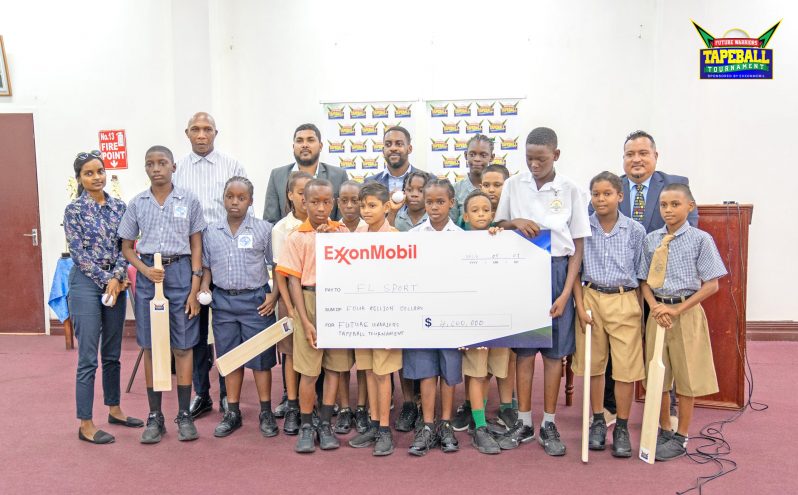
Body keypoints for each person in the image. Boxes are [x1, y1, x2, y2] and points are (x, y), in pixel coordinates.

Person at [494, 127, 590, 456]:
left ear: (556, 156)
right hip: (521, 271)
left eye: (542, 158)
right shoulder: (512, 184)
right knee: (523, 353)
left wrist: (565, 294)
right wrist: (514, 222)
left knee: (552, 355)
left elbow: (577, 245)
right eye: (529, 158)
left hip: (557, 271)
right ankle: (523, 421)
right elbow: (497, 226)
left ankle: (548, 422)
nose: (534, 164)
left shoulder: (571, 189)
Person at [604, 130, 699, 422]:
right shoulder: (609, 187)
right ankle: (609, 406)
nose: (636, 159)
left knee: (664, 343)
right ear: (623, 159)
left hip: (660, 285)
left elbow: (688, 234)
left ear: (655, 156)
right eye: (630, 154)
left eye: (643, 153)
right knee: (615, 344)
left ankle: (664, 405)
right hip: (619, 283)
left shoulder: (675, 185)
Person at [118, 145, 206, 444]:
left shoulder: (189, 200)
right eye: (150, 164)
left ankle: (183, 414)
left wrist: (195, 288)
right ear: (145, 169)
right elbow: (127, 247)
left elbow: (196, 246)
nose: (156, 168)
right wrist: (143, 270)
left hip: (180, 273)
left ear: (173, 167)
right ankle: (155, 416)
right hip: (149, 278)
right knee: (152, 346)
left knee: (183, 345)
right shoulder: (137, 203)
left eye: (162, 163)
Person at [638, 183, 726, 461]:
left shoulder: (701, 239)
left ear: (690, 206)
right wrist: (654, 307)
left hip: (686, 313)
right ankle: (665, 428)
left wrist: (678, 310)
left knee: (687, 378)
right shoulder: (652, 239)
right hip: (658, 313)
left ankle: (682, 435)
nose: (668, 210)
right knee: (658, 376)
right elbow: (643, 280)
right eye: (663, 205)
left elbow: (711, 285)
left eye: (675, 204)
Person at [65, 150, 142, 444]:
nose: (96, 177)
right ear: (80, 178)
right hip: (87, 283)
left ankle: (115, 409)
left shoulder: (119, 207)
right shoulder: (73, 211)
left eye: (99, 171)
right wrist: (106, 279)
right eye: (89, 173)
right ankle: (85, 423)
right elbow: (78, 253)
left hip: (116, 283)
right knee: (88, 358)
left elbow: (127, 245)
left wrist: (119, 275)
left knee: (112, 353)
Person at [174, 112, 246, 419]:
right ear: (187, 133)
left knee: (226, 330)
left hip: (226, 257)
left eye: (207, 129)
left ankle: (230, 395)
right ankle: (201, 394)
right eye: (195, 130)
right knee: (196, 331)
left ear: (216, 132)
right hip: (192, 259)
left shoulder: (232, 165)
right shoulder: (177, 170)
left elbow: (242, 208)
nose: (201, 134)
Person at [275, 179, 354, 453]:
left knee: (334, 367)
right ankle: (307, 424)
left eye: (326, 202)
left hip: (338, 300)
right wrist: (303, 318)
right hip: (309, 300)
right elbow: (293, 280)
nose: (321, 208)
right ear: (303, 203)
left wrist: (332, 238)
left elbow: (354, 265)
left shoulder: (342, 232)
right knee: (309, 370)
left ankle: (324, 423)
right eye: (315, 202)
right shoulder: (296, 237)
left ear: (333, 203)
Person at [198, 176, 280, 438]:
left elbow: (276, 265)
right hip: (223, 303)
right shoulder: (211, 232)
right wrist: (203, 288)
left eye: (241, 198)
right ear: (223, 199)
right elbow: (207, 268)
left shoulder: (263, 229)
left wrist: (274, 295)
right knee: (230, 359)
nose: (235, 202)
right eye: (230, 197)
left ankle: (265, 411)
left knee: (261, 361)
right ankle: (232, 411)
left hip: (257, 302)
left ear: (250, 201)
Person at [572, 171, 646, 458]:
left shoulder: (635, 231)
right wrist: (580, 306)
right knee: (594, 363)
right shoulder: (582, 227)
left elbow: (641, 277)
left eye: (607, 193)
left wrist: (638, 314)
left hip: (623, 298)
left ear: (620, 196)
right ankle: (599, 420)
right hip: (591, 296)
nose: (601, 199)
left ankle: (623, 426)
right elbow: (575, 271)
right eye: (596, 194)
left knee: (627, 367)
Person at [404, 178, 464, 456]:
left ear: (452, 202)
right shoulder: (413, 236)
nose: (435, 207)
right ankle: (427, 425)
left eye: (441, 202)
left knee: (449, 370)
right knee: (426, 370)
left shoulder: (463, 238)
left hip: (451, 313)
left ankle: (446, 424)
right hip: (421, 313)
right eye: (430, 202)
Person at [456, 191, 516, 454]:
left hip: (499, 318)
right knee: (476, 374)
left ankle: (500, 412)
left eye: (486, 210)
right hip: (472, 322)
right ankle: (479, 426)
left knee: (497, 368)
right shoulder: (457, 244)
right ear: (465, 216)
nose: (481, 214)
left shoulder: (502, 240)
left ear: (492, 214)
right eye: (475, 211)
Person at [347, 182, 402, 456]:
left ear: (386, 207)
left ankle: (384, 429)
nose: (366, 211)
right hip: (361, 314)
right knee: (367, 370)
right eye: (363, 205)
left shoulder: (394, 237)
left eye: (372, 206)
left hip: (386, 316)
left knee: (382, 373)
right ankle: (372, 421)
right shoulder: (355, 234)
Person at [271, 171, 313, 435]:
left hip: (316, 297)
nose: (306, 198)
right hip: (289, 299)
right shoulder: (281, 229)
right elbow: (280, 271)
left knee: (313, 351)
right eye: (301, 193)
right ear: (290, 195)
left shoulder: (326, 224)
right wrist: (288, 307)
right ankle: (293, 404)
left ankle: (314, 403)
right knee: (289, 352)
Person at [333, 179, 369, 435]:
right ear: (337, 202)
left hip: (367, 306)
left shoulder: (372, 230)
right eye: (343, 200)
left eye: (354, 200)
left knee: (366, 363)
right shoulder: (331, 231)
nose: (349, 205)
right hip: (340, 305)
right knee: (342, 362)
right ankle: (344, 408)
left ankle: (363, 408)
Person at [263, 123, 349, 224]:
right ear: (293, 146)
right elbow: (270, 221)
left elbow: (344, 220)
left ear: (320, 146)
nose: (304, 145)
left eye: (310, 140)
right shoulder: (277, 176)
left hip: (328, 237)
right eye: (299, 141)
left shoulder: (338, 176)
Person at [366, 126, 423, 194]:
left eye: (399, 144)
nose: (393, 148)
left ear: (409, 149)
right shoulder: (369, 183)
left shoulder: (428, 181)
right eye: (388, 144)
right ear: (383, 151)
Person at [452, 134, 494, 223]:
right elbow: (452, 225)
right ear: (465, 155)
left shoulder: (500, 188)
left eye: (483, 155)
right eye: (472, 154)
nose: (477, 159)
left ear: (492, 157)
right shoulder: (455, 189)